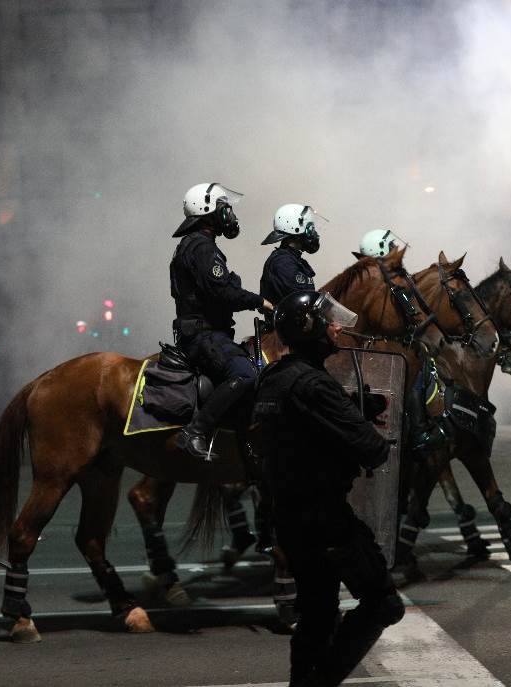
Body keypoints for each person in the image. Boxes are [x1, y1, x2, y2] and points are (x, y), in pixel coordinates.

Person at [253, 291, 405, 687]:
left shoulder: (274, 378)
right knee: (383, 604)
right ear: (309, 330)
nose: (336, 327)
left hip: (289, 519)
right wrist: (359, 422)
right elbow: (372, 450)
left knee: (318, 617)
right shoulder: (315, 385)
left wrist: (351, 405)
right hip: (326, 523)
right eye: (328, 321)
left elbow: (300, 426)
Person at [169, 182, 273, 459]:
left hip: (205, 334)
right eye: (224, 208)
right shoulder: (202, 248)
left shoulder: (196, 245)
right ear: (208, 211)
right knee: (246, 374)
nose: (229, 214)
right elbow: (222, 292)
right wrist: (259, 302)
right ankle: (195, 432)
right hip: (205, 336)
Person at [358, 229, 446, 454]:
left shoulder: (385, 278)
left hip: (385, 340)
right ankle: (417, 431)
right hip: (372, 346)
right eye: (391, 250)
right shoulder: (372, 281)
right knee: (409, 370)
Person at [259, 204, 321, 317]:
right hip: (288, 330)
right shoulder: (283, 263)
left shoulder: (294, 260)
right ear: (295, 229)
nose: (314, 234)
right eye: (310, 228)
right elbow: (301, 303)